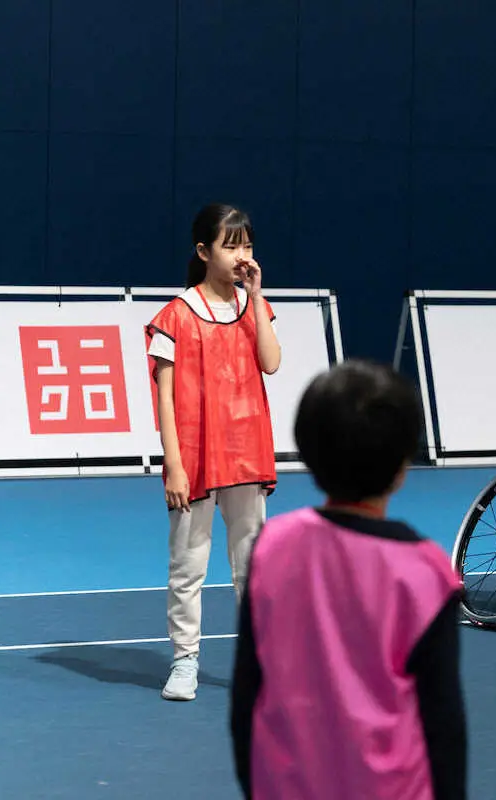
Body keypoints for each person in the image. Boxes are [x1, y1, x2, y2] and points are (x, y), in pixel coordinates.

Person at [230, 360, 466, 800]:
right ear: (402, 466)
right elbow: (443, 722)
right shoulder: (427, 572)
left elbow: (247, 693)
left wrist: (255, 784)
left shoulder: (271, 547)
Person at [145, 203, 281, 701]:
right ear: (203, 252)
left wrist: (258, 295)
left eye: (246, 244)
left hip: (246, 453)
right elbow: (164, 397)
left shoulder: (254, 307)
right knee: (188, 566)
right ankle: (185, 661)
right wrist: (175, 465)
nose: (241, 254)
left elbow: (271, 363)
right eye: (231, 245)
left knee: (252, 567)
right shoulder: (174, 317)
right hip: (196, 460)